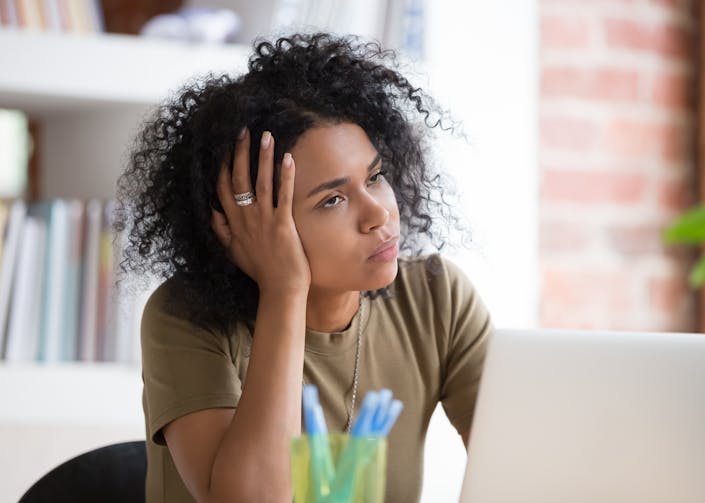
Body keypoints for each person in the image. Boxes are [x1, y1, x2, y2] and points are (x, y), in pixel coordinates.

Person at [116, 32, 492, 503]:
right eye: (332, 199)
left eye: (374, 177)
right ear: (247, 219)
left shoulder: (437, 299)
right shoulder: (185, 318)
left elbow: (531, 466)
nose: (378, 213)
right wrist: (284, 289)